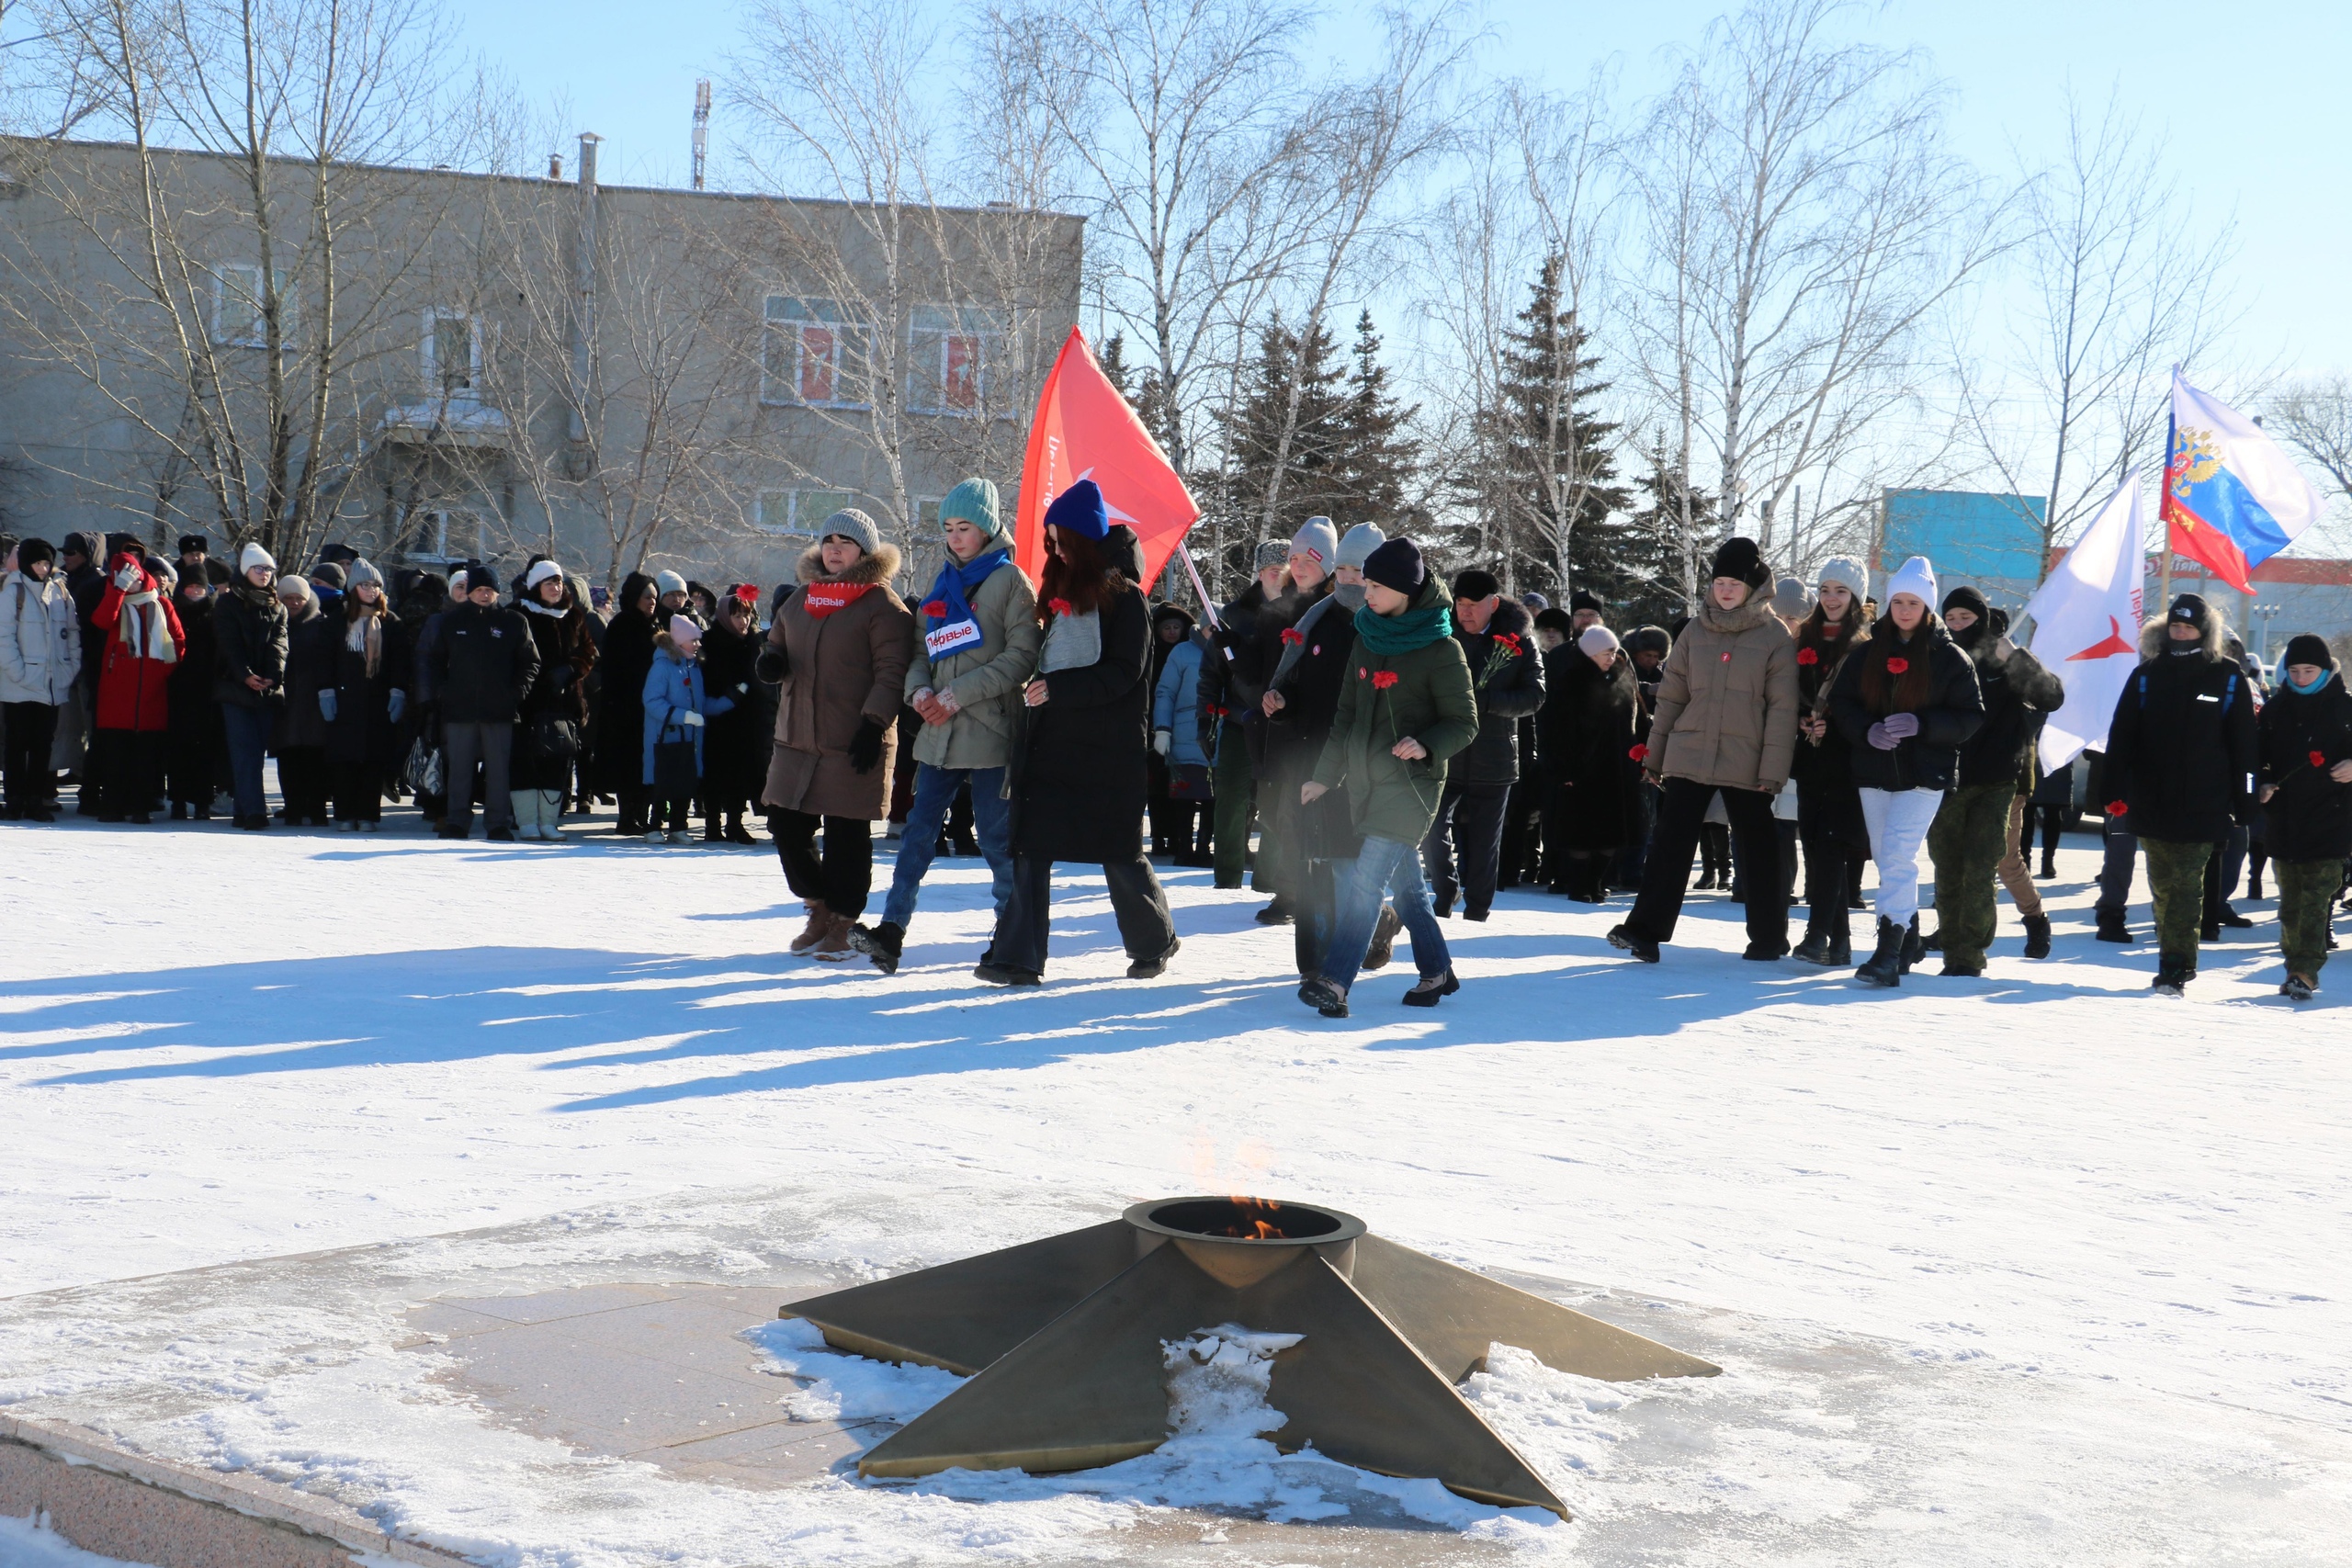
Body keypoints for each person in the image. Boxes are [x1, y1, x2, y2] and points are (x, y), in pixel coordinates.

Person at [982, 481, 1177, 986]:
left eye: (1062, 538)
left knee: (1118, 853)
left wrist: (1056, 688)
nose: (1056, 548)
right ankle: (1017, 958)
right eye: (1050, 540)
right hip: (1051, 746)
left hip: (1108, 753)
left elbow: (1122, 674)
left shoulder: (1128, 598)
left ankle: (1154, 941)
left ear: (1086, 539)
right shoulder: (1061, 595)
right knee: (1031, 848)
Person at [855, 479, 1038, 973]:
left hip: (990, 735)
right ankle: (890, 933)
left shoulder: (1012, 582)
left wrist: (959, 695)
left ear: (988, 527)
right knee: (916, 836)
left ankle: (1008, 939)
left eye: (966, 528)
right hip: (938, 736)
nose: (956, 538)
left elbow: (1022, 657)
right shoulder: (940, 581)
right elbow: (920, 653)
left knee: (997, 842)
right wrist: (919, 692)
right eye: (949, 528)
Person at [1297, 536, 1478, 1018]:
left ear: (1404, 590)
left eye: (1375, 585)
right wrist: (1323, 776)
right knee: (1410, 890)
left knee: (1365, 883)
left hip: (1412, 786)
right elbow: (1345, 717)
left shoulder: (1442, 650)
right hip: (1364, 782)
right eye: (1364, 582)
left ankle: (1334, 983)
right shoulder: (1366, 637)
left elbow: (1465, 722)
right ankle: (1437, 970)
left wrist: (1425, 744)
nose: (1365, 591)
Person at [1608, 537, 1798, 964]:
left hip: (1747, 759)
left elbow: (1782, 708)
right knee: (1669, 843)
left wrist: (1773, 769)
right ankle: (1644, 932)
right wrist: (1654, 756)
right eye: (1720, 583)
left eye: (1734, 583)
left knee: (1758, 849)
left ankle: (1769, 938)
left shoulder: (1774, 635)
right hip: (1690, 751)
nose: (1726, 590)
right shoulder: (1694, 630)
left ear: (1752, 587)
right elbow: (1672, 698)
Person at [759, 509, 911, 958]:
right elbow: (777, 643)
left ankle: (844, 921)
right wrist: (770, 660)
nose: (834, 549)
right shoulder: (803, 597)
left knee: (847, 837)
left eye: (845, 542)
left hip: (853, 739)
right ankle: (819, 906)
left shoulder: (881, 604)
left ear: (863, 550)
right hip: (797, 740)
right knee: (785, 826)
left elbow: (892, 671)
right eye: (829, 541)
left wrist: (874, 723)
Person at [1827, 558, 1983, 987]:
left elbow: (1971, 716)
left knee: (1897, 854)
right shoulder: (1867, 653)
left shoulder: (1951, 658)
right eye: (1898, 601)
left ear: (1927, 606)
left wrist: (1924, 725)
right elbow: (1843, 703)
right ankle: (1909, 937)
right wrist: (1867, 730)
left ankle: (1887, 952)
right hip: (1874, 771)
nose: (1905, 610)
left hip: (1925, 775)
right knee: (1884, 856)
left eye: (1913, 602)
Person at [2099, 593, 2259, 996]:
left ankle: (2177, 964)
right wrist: (2114, 788)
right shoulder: (2146, 675)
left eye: (2188, 628)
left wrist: (2245, 800)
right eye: (2175, 627)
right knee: (2163, 886)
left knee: (2187, 886)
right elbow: (2121, 737)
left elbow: (2244, 747)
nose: (2180, 634)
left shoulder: (2226, 676)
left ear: (2203, 632)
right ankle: (2170, 954)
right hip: (2152, 800)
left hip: (2203, 803)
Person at [1262, 520, 1392, 980]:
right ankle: (1315, 964)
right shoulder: (1317, 621)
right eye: (1343, 570)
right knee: (1312, 864)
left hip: (1364, 766)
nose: (1349, 581)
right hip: (1312, 760)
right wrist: (1281, 702)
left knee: (1353, 868)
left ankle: (1370, 930)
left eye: (1360, 572)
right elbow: (1301, 688)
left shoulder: (1388, 628)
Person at [1926, 585, 2064, 972]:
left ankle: (1968, 955)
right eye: (1950, 619)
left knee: (1988, 865)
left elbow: (2051, 697)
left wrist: (2015, 658)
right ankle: (1950, 938)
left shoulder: (2005, 660)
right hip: (1947, 780)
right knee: (1948, 866)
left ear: (1981, 620)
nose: (1956, 626)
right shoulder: (1938, 656)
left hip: (1996, 781)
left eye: (1965, 619)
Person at [1420, 569, 1543, 922]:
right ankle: (1444, 892)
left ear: (1493, 604)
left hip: (1495, 754)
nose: (1465, 612)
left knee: (1486, 841)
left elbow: (1535, 696)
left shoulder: (1519, 640)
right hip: (1447, 751)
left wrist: (1486, 701)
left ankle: (1477, 910)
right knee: (1430, 827)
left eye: (1474, 605)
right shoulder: (1442, 637)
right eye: (1460, 604)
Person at [2255, 634, 2352, 999]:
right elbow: (2257, 758)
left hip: (2333, 816)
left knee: (2316, 900)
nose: (2301, 677)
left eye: (2309, 670)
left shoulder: (2345, 707)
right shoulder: (2275, 709)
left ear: (2325, 669)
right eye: (2294, 670)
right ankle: (2294, 963)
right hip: (2284, 818)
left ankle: (2305, 971)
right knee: (2291, 903)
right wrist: (2262, 784)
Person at [1789, 558, 1872, 964]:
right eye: (1825, 590)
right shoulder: (1803, 636)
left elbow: (1869, 705)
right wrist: (1801, 718)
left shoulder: (1866, 643)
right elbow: (1786, 692)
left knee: (1832, 846)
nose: (1831, 598)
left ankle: (1817, 932)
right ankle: (1838, 944)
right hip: (1808, 757)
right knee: (1815, 847)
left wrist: (1833, 726)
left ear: (1855, 595)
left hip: (1847, 760)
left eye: (1841, 590)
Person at [1196, 541, 1290, 890]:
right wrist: (1204, 722)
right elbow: (1211, 673)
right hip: (1239, 722)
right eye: (1270, 571)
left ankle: (1268, 885)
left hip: (1282, 729)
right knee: (1231, 805)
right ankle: (1226, 881)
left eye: (1283, 572)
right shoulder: (1235, 615)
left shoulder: (1302, 612)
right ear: (1259, 573)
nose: (1276, 578)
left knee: (1277, 809)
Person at [430, 564, 539, 841]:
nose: (483, 595)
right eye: (479, 589)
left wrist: (516, 693)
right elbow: (434, 661)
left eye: (489, 590)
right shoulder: (452, 622)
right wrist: (444, 691)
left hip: (499, 710)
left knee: (499, 772)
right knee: (459, 770)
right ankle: (456, 821)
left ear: (497, 592)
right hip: (459, 709)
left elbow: (530, 662)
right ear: (469, 592)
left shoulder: (513, 622)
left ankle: (498, 824)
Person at [1538, 624, 1641, 902]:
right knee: (1581, 834)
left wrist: (1639, 753)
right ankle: (1578, 885)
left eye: (1614, 652)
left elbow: (1634, 719)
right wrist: (1564, 768)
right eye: (1605, 653)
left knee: (1611, 835)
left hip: (1616, 768)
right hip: (1581, 769)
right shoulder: (1571, 682)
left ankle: (1596, 882)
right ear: (1591, 653)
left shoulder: (1621, 678)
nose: (1611, 657)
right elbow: (1555, 730)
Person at [86, 550, 187, 823]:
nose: (131, 581)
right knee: (115, 756)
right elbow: (102, 621)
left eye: (133, 575)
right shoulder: (114, 601)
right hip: (117, 692)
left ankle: (141, 806)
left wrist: (159, 671)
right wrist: (117, 591)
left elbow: (178, 643)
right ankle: (114, 806)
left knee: (145, 758)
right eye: (122, 576)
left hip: (152, 692)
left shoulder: (162, 604)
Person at [510, 559, 596, 840]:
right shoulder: (518, 613)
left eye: (559, 582)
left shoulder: (574, 615)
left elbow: (589, 652)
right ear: (536, 586)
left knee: (556, 763)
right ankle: (526, 822)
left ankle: (548, 821)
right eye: (550, 583)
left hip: (563, 702)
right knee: (525, 762)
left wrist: (571, 669)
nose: (556, 588)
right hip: (527, 702)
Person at [322, 560, 409, 830]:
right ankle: (345, 814)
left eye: (375, 585)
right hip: (344, 701)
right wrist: (325, 692)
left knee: (373, 761)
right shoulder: (337, 621)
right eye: (365, 585)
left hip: (377, 701)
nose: (371, 590)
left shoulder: (390, 622)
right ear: (353, 588)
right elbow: (326, 661)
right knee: (344, 761)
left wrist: (398, 691)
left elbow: (400, 662)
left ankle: (369, 814)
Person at [0, 538, 82, 821]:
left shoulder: (60, 592)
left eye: (47, 563)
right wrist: (17, 671)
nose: (43, 568)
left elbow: (72, 633)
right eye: (37, 562)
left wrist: (70, 668)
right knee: (16, 744)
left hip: (51, 683)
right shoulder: (14, 591)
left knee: (42, 744)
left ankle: (36, 799)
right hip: (18, 685)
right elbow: (4, 637)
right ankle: (13, 799)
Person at [213, 544, 288, 829]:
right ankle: (255, 812)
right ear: (246, 571)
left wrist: (273, 675)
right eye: (259, 568)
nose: (265, 574)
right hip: (234, 687)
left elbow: (280, 644)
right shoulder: (228, 603)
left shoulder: (276, 605)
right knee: (243, 750)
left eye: (269, 569)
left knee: (256, 754)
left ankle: (243, 811)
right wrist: (244, 674)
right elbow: (228, 644)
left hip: (266, 688)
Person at [644, 615, 732, 846]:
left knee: (683, 780)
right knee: (664, 780)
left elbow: (700, 704)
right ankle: (654, 826)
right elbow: (652, 700)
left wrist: (730, 700)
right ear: (680, 640)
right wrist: (683, 717)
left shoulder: (693, 667)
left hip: (689, 738)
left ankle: (678, 826)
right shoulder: (663, 666)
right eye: (693, 639)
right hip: (665, 737)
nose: (698, 644)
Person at [697, 586, 768, 845]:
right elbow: (705, 678)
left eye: (746, 615)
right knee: (717, 772)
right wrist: (728, 694)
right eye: (738, 615)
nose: (744, 621)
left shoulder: (752, 643)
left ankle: (735, 823)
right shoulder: (710, 642)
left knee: (742, 772)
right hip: (718, 718)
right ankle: (713, 823)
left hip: (747, 718)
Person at [598, 572, 661, 835]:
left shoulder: (657, 626)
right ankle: (626, 817)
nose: (652, 602)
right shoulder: (622, 625)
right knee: (628, 764)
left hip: (651, 708)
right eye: (647, 597)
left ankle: (642, 815)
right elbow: (615, 668)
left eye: (655, 598)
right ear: (635, 598)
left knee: (648, 764)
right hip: (625, 707)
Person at [272, 575, 335, 826]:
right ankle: (293, 808)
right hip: (285, 701)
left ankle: (317, 808)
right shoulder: (276, 623)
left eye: (299, 598)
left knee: (315, 757)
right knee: (288, 757)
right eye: (288, 598)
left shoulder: (322, 625)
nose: (294, 603)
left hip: (314, 700)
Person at [164, 566, 220, 818]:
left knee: (206, 749)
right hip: (177, 688)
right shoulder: (172, 613)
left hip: (207, 690)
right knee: (177, 748)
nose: (195, 593)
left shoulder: (215, 614)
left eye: (200, 588)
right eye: (191, 588)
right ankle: (177, 801)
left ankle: (203, 802)